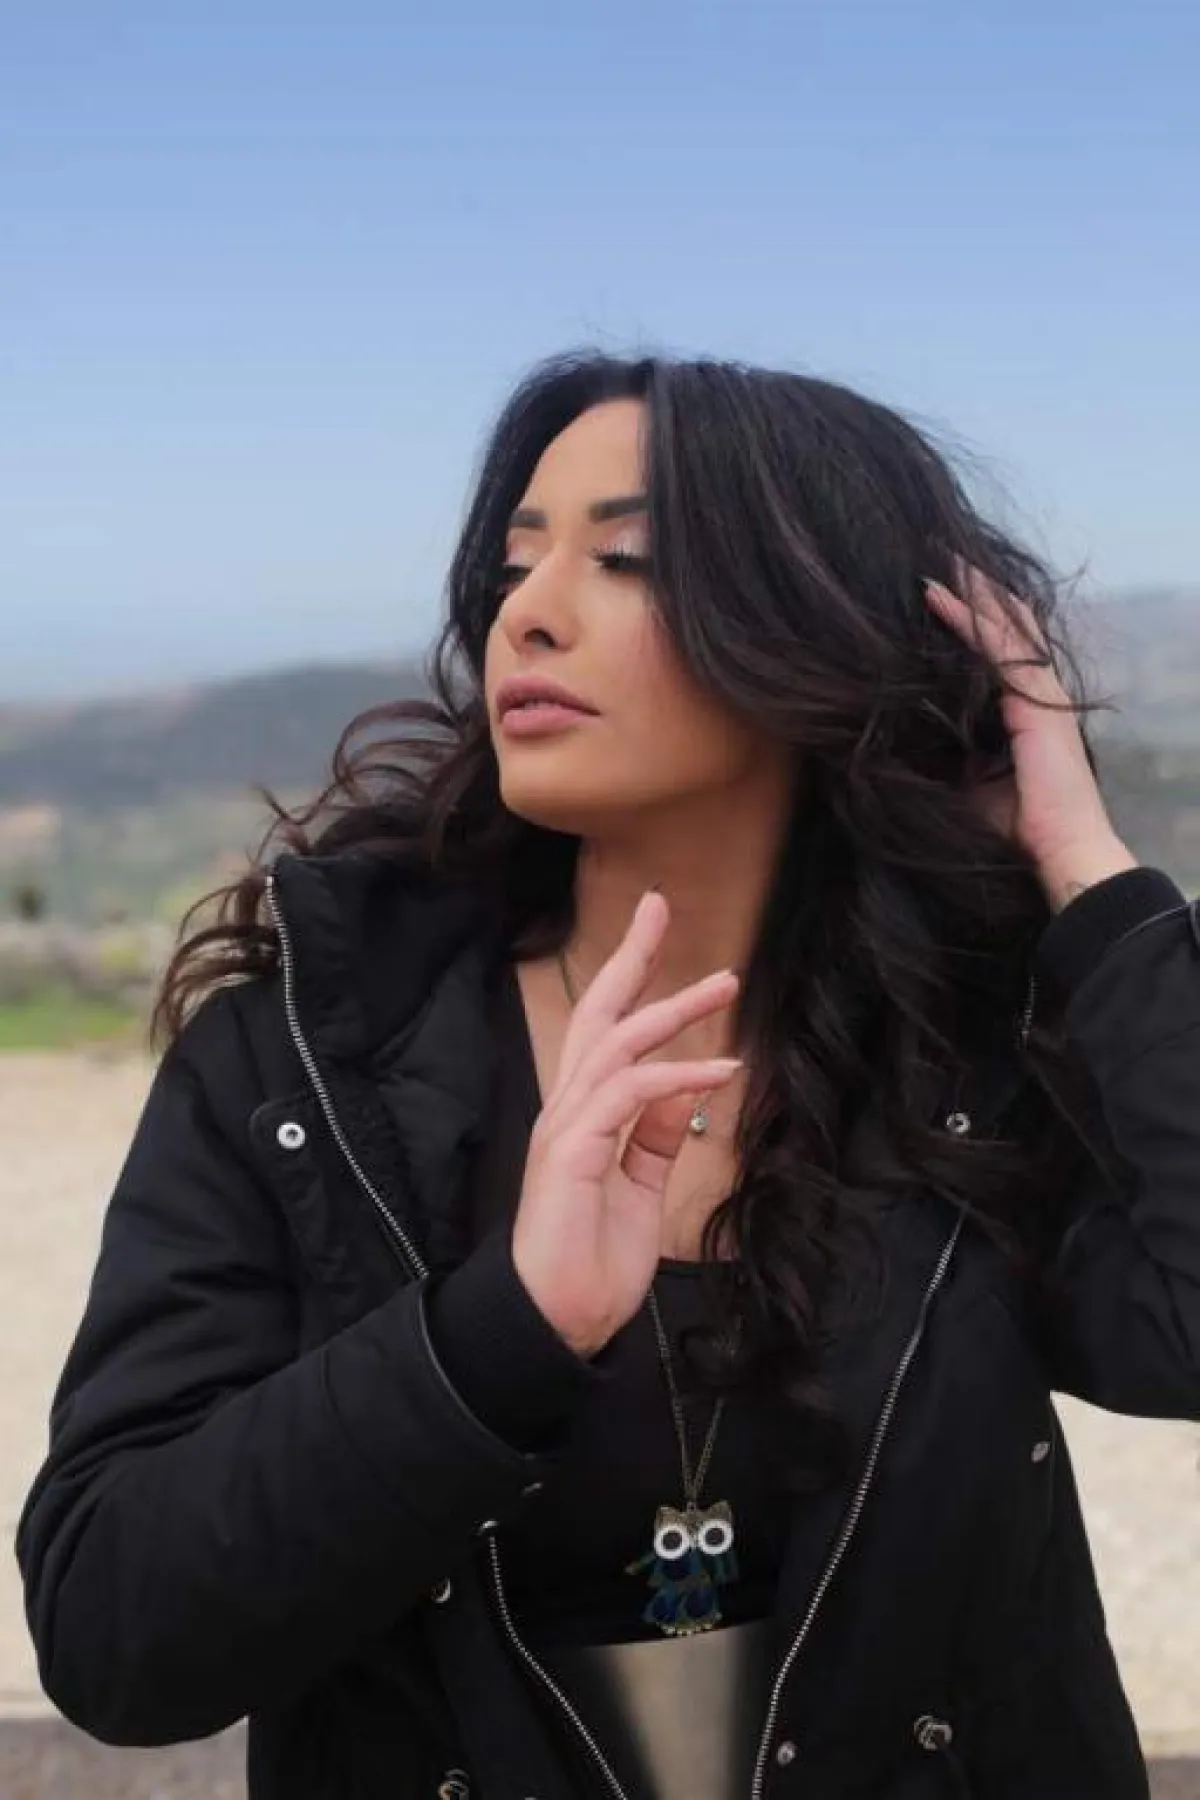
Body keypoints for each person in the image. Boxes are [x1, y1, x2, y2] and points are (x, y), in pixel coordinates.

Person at [16, 351, 1200, 1800]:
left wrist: (1090, 874)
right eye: (516, 564)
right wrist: (501, 1333)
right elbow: (114, 1628)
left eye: (624, 558)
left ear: (816, 624)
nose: (527, 611)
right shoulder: (302, 1068)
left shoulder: (954, 1059)